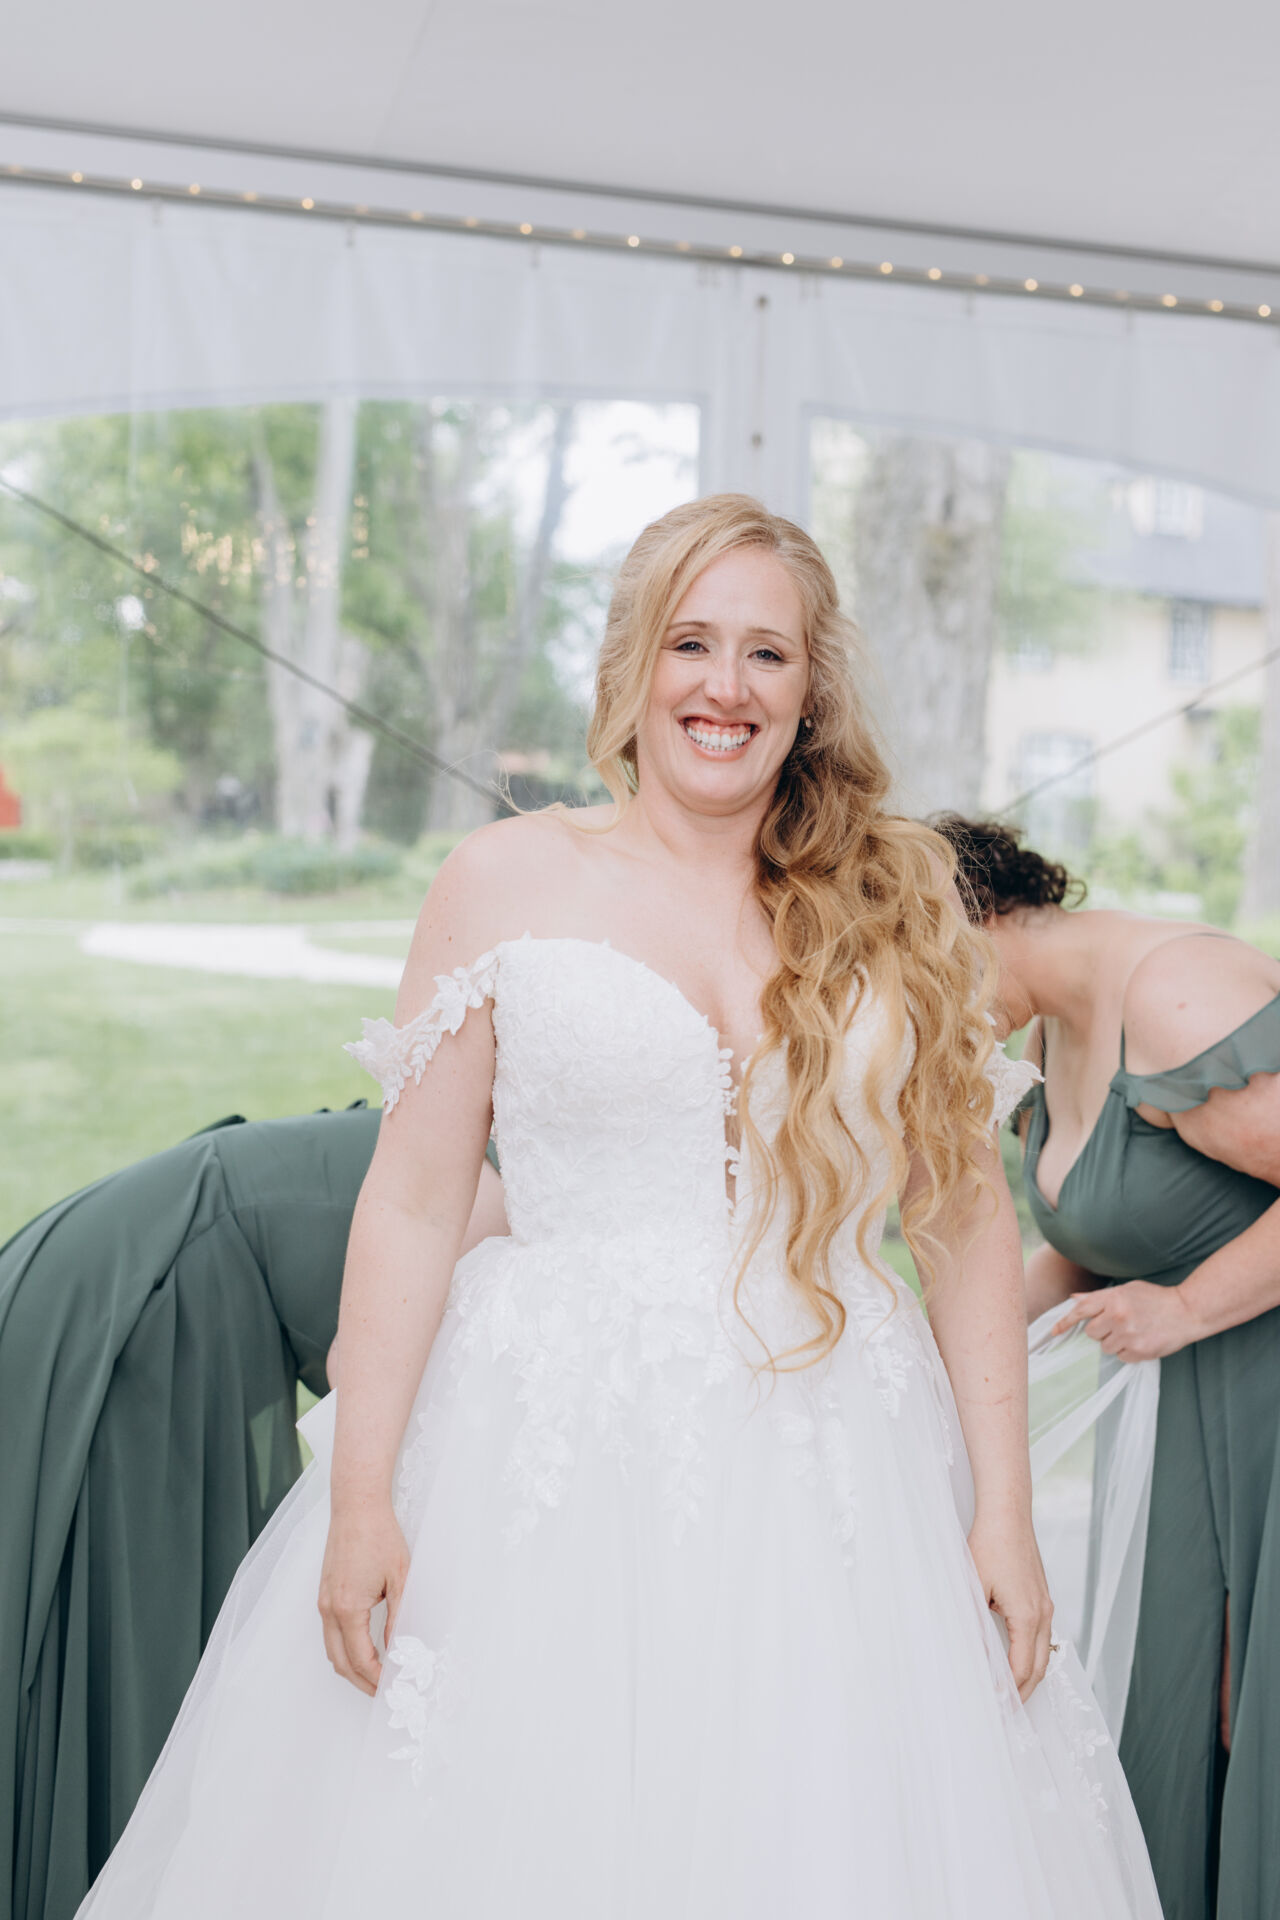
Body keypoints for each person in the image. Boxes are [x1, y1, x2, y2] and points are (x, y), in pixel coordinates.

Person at [77, 498, 1159, 1918]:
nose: (726, 687)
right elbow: (413, 1205)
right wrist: (359, 1496)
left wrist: (1003, 1513)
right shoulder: (503, 880)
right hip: (543, 1451)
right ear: (633, 665)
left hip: (840, 1468)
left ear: (811, 690)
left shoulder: (897, 904)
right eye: (691, 643)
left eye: (766, 653)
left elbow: (960, 1227)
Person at [0, 1104, 504, 1920]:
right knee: (145, 1656)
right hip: (152, 1309)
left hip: (138, 1260)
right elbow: (360, 1367)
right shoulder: (510, 1205)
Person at [940, 813, 1280, 1920]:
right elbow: (1095, 1238)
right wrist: (929, 1350)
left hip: (1256, 1384)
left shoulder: (1174, 995)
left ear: (972, 917)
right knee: (1195, 1714)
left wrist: (1185, 1307)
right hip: (1188, 1408)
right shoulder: (1044, 1034)